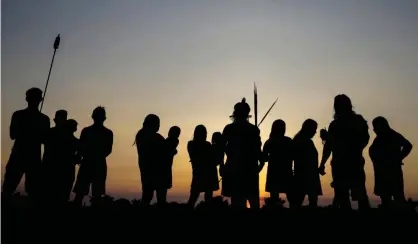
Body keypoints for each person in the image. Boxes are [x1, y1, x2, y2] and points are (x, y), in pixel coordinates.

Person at [319, 94, 370, 210]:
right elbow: (365, 139)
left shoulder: (335, 124)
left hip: (341, 163)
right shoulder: (358, 120)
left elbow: (329, 146)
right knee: (358, 193)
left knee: (344, 195)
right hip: (353, 162)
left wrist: (322, 164)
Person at [2, 88, 50, 205]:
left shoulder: (42, 119)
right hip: (22, 156)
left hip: (28, 157)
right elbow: (12, 135)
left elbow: (45, 140)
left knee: (32, 192)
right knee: (9, 188)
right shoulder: (40, 118)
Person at [221, 98, 264, 209]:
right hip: (247, 169)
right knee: (252, 201)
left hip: (237, 168)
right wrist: (262, 163)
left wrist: (221, 165)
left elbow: (221, 148)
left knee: (238, 202)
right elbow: (258, 150)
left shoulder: (230, 128)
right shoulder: (252, 130)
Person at [73, 106, 113, 207]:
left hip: (94, 164)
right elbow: (81, 148)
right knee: (82, 194)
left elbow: (107, 150)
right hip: (91, 164)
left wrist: (86, 155)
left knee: (95, 195)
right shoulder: (88, 131)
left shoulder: (105, 133)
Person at [369, 116, 413, 207]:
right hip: (381, 172)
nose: (375, 130)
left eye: (376, 127)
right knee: (386, 199)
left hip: (392, 171)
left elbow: (408, 145)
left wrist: (398, 157)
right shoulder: (379, 138)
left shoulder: (393, 135)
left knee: (397, 197)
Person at [134, 114, 167, 206]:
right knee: (155, 196)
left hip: (147, 169)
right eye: (157, 124)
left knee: (148, 195)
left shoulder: (141, 135)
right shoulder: (148, 136)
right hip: (153, 170)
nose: (159, 126)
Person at [262, 120, 294, 206]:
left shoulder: (270, 141)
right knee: (291, 197)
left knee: (274, 198)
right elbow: (294, 156)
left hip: (274, 172)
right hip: (286, 171)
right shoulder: (289, 141)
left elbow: (264, 158)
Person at [187, 125, 219, 207]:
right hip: (203, 174)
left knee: (196, 197)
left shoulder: (192, 144)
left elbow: (214, 160)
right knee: (196, 197)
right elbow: (212, 160)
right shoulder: (193, 144)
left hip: (202, 173)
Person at [293, 119, 322, 208]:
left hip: (306, 174)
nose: (315, 132)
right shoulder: (304, 141)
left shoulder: (299, 140)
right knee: (305, 200)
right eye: (314, 129)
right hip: (306, 175)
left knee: (299, 201)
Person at [164, 126, 181, 192]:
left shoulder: (170, 140)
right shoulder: (171, 140)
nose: (178, 135)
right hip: (165, 166)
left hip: (167, 165)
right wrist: (174, 151)